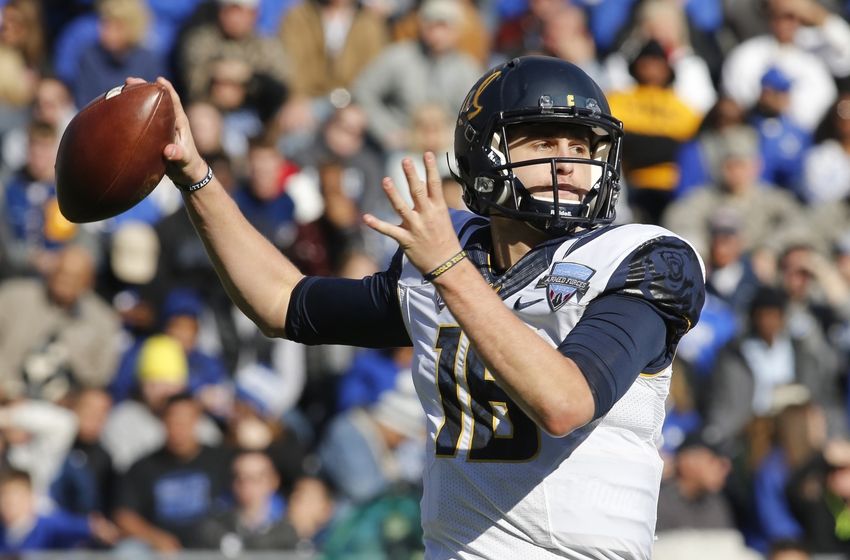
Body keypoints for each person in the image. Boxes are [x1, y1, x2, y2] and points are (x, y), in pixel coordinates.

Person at [138, 54, 705, 558]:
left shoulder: (644, 259)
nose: (568, 162)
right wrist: (195, 176)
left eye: (581, 146)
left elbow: (565, 401)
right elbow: (281, 303)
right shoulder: (450, 256)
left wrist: (448, 270)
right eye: (542, 142)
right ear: (487, 154)